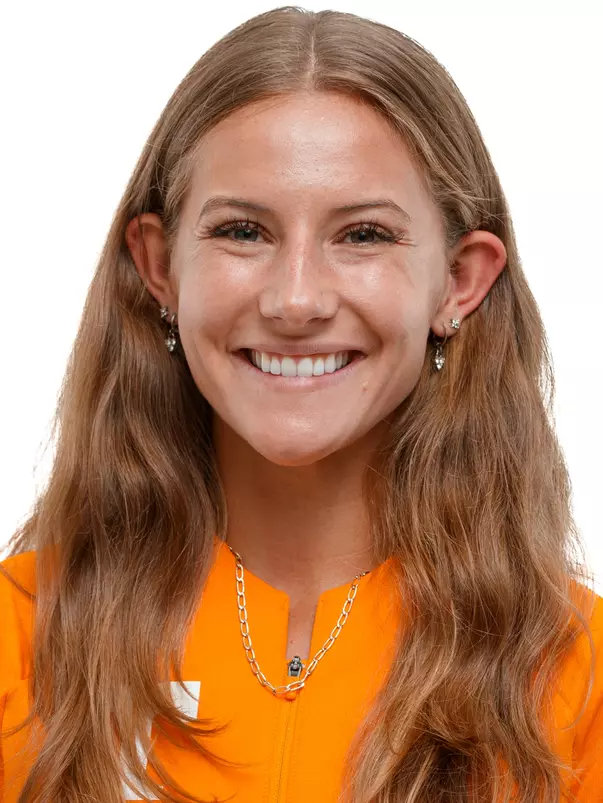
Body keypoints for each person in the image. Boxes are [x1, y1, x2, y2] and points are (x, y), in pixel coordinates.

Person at [1, 6, 602, 802]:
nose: (295, 300)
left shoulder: (576, 669)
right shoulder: (19, 636)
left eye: (362, 236)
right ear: (158, 269)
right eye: (243, 230)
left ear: (459, 280)